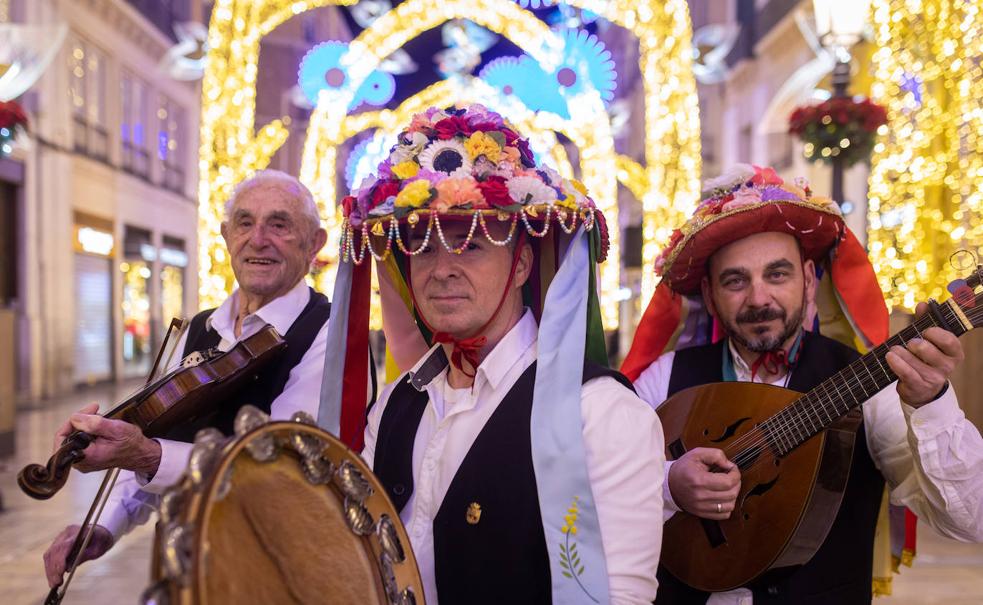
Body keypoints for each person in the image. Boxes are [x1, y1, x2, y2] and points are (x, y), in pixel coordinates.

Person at [323, 104, 664, 604]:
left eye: (471, 244)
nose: (441, 269)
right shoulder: (396, 403)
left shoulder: (601, 414)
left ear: (522, 263)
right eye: (423, 245)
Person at [621, 164, 983, 604]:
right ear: (711, 296)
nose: (758, 298)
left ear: (809, 281)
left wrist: (931, 403)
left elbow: (968, 521)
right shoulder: (665, 379)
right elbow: (596, 496)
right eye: (735, 281)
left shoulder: (875, 387)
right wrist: (668, 484)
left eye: (777, 274)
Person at [42, 170, 333, 589]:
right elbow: (157, 430)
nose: (258, 239)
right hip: (181, 567)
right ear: (226, 235)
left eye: (280, 224)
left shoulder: (326, 335)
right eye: (245, 223)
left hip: (270, 574)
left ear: (315, 243)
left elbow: (274, 472)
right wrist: (104, 526)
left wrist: (146, 455)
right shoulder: (200, 327)